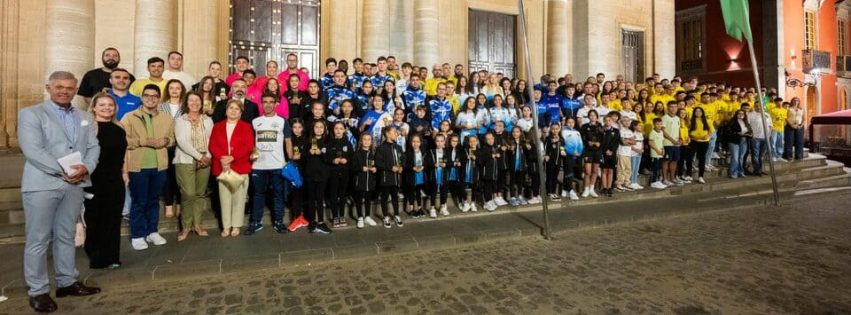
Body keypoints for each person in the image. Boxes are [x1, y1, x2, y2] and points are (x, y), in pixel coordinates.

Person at [18, 71, 102, 313]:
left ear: (76, 90)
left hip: (75, 184)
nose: (64, 91)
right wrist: (64, 170)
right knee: (38, 239)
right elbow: (33, 150)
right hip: (43, 184)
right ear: (49, 88)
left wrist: (86, 167)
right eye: (59, 87)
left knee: (66, 235)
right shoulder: (31, 114)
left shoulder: (84, 116)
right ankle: (38, 291)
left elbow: (93, 146)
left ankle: (66, 282)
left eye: (69, 88)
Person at [121, 84, 175, 250]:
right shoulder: (130, 117)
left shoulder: (166, 118)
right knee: (139, 201)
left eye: (154, 96)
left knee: (153, 201)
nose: (150, 99)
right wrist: (144, 141)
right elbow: (123, 140)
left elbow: (172, 138)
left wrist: (166, 141)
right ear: (142, 97)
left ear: (159, 99)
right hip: (138, 166)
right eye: (147, 95)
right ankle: (138, 235)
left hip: (159, 166)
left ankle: (152, 231)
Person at [83, 93, 127, 269]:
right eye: (102, 105)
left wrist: (125, 173)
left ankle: (112, 256)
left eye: (110, 105)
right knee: (95, 218)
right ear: (94, 107)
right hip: (94, 178)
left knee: (113, 218)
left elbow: (124, 153)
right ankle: (96, 256)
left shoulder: (119, 127)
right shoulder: (89, 127)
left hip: (115, 178)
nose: (107, 108)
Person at [246, 95, 292, 235]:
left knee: (278, 195)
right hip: (259, 166)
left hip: (278, 165)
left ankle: (278, 221)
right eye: (265, 102)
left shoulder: (282, 121)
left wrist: (290, 160)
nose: (268, 105)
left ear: (276, 104)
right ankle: (256, 222)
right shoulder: (255, 121)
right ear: (261, 104)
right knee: (258, 194)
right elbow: (250, 142)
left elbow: (288, 141)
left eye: (271, 102)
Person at [209, 100, 255, 237]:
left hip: (240, 166)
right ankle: (226, 226)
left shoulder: (246, 126)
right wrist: (223, 158)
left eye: (237, 109)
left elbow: (248, 146)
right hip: (223, 167)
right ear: (226, 110)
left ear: (241, 113)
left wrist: (232, 157)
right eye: (231, 108)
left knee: (239, 199)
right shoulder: (217, 126)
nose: (233, 111)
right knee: (224, 199)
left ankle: (236, 225)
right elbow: (212, 145)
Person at [173, 91, 213, 241]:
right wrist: (199, 156)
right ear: (186, 103)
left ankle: (197, 225)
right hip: (186, 159)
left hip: (205, 159)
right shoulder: (180, 120)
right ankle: (186, 226)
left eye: (197, 100)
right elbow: (182, 141)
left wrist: (207, 156)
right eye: (191, 100)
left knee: (200, 193)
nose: (195, 103)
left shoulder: (208, 120)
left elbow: (212, 138)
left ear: (202, 103)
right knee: (188, 193)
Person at [159, 79, 187, 219]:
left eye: (178, 88)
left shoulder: (186, 106)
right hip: (166, 145)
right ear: (167, 90)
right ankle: (169, 204)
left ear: (182, 90)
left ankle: (180, 204)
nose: (175, 90)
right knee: (167, 176)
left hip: (182, 146)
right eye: (171, 88)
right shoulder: (161, 107)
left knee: (180, 176)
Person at [303, 120, 333, 234]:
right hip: (310, 174)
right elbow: (303, 158)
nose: (319, 129)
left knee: (320, 199)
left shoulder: (327, 142)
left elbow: (330, 158)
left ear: (324, 129)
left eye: (321, 127)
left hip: (322, 175)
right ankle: (312, 221)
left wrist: (321, 153)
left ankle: (320, 222)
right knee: (311, 199)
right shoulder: (308, 141)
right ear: (313, 128)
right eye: (317, 127)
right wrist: (309, 153)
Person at [376, 127, 406, 227]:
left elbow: (403, 158)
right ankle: (385, 216)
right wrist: (390, 167)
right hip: (386, 178)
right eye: (394, 132)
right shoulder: (381, 148)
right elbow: (378, 163)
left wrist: (401, 167)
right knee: (384, 197)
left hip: (396, 178)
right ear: (387, 134)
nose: (396, 133)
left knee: (395, 197)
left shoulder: (398, 147)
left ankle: (396, 215)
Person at [327, 122, 354, 227]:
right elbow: (325, 157)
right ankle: (335, 217)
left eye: (341, 128)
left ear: (344, 130)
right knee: (333, 195)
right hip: (333, 173)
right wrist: (332, 160)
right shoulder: (329, 143)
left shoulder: (348, 143)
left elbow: (352, 157)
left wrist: (346, 160)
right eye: (336, 128)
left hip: (344, 172)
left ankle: (342, 216)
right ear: (333, 130)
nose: (338, 130)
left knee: (342, 195)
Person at [351, 133, 379, 228]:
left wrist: (375, 169)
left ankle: (367, 216)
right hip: (359, 181)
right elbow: (352, 167)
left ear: (371, 142)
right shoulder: (356, 153)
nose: (366, 141)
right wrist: (361, 168)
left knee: (368, 199)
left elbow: (376, 165)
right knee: (359, 200)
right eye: (364, 139)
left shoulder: (373, 154)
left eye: (368, 140)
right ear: (361, 141)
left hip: (370, 181)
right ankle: (360, 217)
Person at [426, 134, 451, 217]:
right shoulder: (431, 152)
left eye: (441, 141)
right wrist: (434, 165)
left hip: (444, 174)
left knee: (444, 191)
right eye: (437, 141)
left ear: (444, 142)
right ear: (435, 141)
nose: (439, 143)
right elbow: (427, 163)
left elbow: (450, 162)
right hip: (435, 174)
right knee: (433, 191)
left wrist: (445, 164)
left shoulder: (447, 152)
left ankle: (443, 207)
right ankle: (432, 208)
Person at [404, 133, 428, 218]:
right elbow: (405, 164)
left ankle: (419, 208)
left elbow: (426, 162)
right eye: (413, 141)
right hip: (412, 175)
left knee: (418, 191)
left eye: (417, 141)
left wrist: (423, 167)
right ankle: (411, 209)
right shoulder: (408, 152)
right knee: (411, 191)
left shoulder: (423, 152)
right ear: (410, 142)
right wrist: (412, 168)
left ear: (420, 142)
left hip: (420, 174)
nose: (415, 143)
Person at [580, 110, 603, 198]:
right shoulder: (585, 126)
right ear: (588, 117)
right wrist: (587, 142)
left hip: (597, 151)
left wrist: (599, 143)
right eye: (591, 115)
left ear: (597, 117)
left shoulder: (600, 126)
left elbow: (603, 138)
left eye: (594, 115)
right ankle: (586, 189)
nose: (592, 117)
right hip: (588, 151)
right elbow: (581, 138)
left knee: (595, 171)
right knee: (587, 171)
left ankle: (591, 189)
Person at [725, 109, 752, 179]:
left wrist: (749, 134)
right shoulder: (732, 122)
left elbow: (750, 131)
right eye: (739, 113)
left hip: (744, 140)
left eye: (742, 114)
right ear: (736, 114)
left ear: (744, 115)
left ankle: (740, 172)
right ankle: (733, 173)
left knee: (741, 157)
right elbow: (728, 132)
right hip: (734, 141)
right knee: (735, 157)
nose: (741, 115)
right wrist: (737, 133)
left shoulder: (746, 122)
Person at [561, 117, 583, 200]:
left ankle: (565, 189)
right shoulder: (564, 132)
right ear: (566, 123)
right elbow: (564, 144)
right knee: (568, 172)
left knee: (570, 172)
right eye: (569, 122)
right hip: (568, 155)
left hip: (576, 156)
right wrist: (571, 152)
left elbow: (580, 143)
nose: (571, 124)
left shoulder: (577, 132)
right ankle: (570, 190)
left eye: (572, 122)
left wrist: (579, 152)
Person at [689, 107, 712, 184]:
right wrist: (693, 137)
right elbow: (688, 131)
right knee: (690, 157)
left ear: (702, 113)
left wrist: (707, 136)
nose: (698, 112)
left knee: (702, 159)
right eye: (696, 111)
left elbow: (710, 130)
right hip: (693, 141)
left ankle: (700, 176)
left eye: (700, 111)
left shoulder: (707, 120)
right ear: (694, 112)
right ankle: (689, 175)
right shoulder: (690, 121)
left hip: (704, 142)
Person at [747, 103, 771, 176]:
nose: (758, 107)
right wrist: (752, 134)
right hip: (756, 138)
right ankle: (757, 170)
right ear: (754, 106)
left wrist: (769, 135)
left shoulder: (767, 114)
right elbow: (748, 125)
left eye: (760, 106)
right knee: (755, 155)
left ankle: (760, 169)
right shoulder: (750, 114)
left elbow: (770, 126)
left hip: (765, 138)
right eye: (757, 106)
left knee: (761, 155)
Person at [661, 101, 681, 186]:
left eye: (675, 107)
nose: (673, 109)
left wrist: (680, 139)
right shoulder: (664, 118)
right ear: (668, 108)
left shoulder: (677, 118)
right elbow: (663, 131)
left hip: (676, 144)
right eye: (671, 107)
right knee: (666, 161)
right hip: (667, 143)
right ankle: (665, 179)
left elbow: (678, 129)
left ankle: (672, 178)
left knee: (674, 161)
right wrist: (672, 140)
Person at [544, 123, 564, 201]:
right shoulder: (548, 138)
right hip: (550, 161)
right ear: (550, 129)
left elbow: (563, 146)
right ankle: (549, 192)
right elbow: (546, 148)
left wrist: (559, 140)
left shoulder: (561, 138)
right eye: (553, 129)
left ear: (559, 129)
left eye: (556, 129)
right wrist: (547, 155)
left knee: (555, 177)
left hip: (558, 161)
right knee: (550, 176)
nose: (555, 130)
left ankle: (553, 192)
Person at [615, 117, 635, 191]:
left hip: (628, 153)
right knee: (621, 169)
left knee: (628, 169)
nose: (627, 122)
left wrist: (627, 140)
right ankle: (619, 184)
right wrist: (629, 141)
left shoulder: (630, 131)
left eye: (628, 121)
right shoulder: (620, 131)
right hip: (621, 152)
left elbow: (634, 142)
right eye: (625, 121)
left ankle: (626, 183)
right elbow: (623, 142)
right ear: (621, 122)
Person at [648, 118, 667, 189]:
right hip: (655, 153)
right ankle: (653, 182)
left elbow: (662, 142)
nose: (659, 126)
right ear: (654, 124)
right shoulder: (652, 132)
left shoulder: (661, 132)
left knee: (659, 168)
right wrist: (657, 150)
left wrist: (663, 149)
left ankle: (657, 181)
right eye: (657, 124)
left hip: (660, 153)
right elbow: (650, 142)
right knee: (655, 168)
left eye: (660, 124)